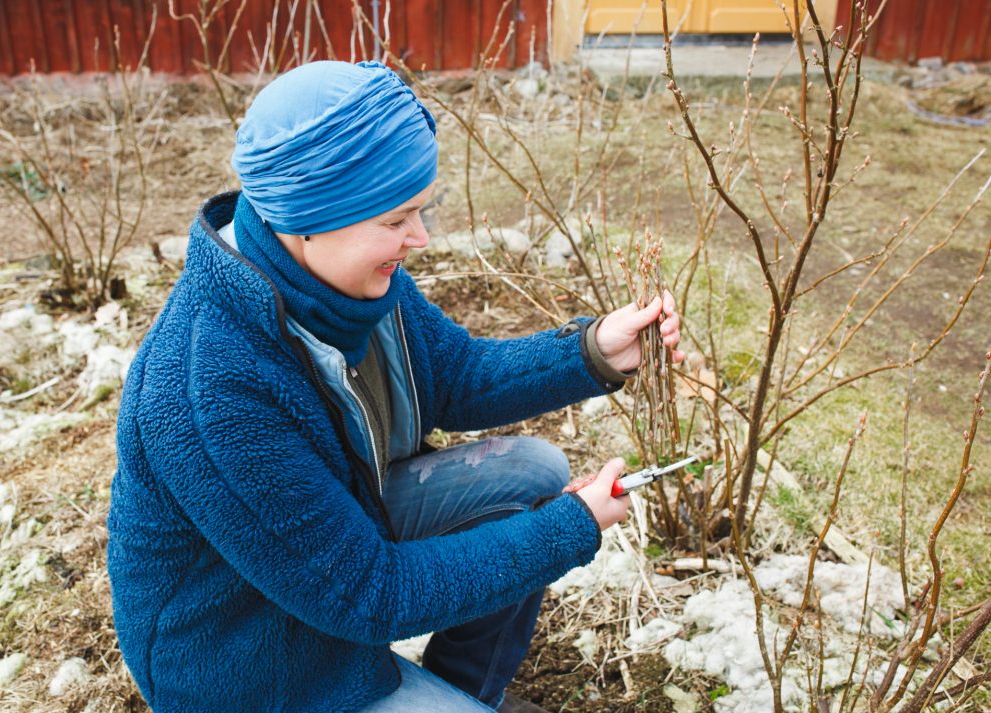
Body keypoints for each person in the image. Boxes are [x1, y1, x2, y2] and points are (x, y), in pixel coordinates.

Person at [107, 60, 683, 713]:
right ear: (311, 219)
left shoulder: (341, 278)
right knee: (543, 518)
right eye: (396, 219)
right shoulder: (211, 387)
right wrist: (568, 530)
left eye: (420, 210)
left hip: (324, 566)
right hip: (254, 667)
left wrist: (592, 350)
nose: (420, 237)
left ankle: (463, 691)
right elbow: (368, 595)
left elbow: (456, 375)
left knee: (534, 473)